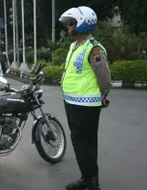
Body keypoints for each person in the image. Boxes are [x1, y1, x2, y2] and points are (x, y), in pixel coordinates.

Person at [59, 6, 111, 190]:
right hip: (72, 103)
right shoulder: (75, 46)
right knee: (79, 144)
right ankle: (86, 178)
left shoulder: (93, 48)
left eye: (71, 24)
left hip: (86, 106)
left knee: (86, 144)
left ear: (82, 24)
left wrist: (104, 93)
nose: (68, 27)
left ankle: (92, 183)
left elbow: (103, 73)